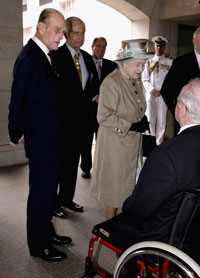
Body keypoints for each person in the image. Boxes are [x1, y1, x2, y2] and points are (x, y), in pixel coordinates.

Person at [93, 79, 200, 251]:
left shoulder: (166, 156)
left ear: (182, 110)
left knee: (116, 225)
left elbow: (137, 210)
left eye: (177, 102)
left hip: (158, 237)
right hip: (192, 229)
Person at [8, 8, 72, 262]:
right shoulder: (29, 58)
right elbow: (18, 101)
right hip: (41, 139)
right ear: (41, 27)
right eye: (57, 30)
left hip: (50, 136)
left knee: (48, 191)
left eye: (63, 32)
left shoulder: (44, 54)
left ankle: (47, 231)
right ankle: (38, 244)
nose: (61, 36)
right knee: (41, 192)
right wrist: (16, 131)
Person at [90, 39, 152, 220]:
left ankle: (121, 233)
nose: (141, 69)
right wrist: (131, 125)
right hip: (115, 148)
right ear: (125, 62)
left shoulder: (135, 80)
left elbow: (137, 105)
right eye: (138, 64)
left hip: (132, 146)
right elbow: (103, 117)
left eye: (143, 64)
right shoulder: (112, 82)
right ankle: (109, 234)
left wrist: (142, 118)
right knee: (114, 196)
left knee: (128, 193)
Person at [51, 17, 99, 218]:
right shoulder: (55, 56)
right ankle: (53, 204)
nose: (80, 37)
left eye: (83, 32)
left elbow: (92, 86)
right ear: (66, 34)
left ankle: (67, 199)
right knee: (59, 166)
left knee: (73, 164)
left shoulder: (87, 58)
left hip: (83, 123)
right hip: (62, 123)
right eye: (76, 33)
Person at [80, 37, 118, 179]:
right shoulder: (84, 63)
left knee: (103, 142)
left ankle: (103, 169)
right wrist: (93, 96)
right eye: (99, 46)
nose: (101, 49)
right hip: (87, 111)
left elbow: (116, 87)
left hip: (105, 112)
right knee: (86, 142)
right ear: (92, 47)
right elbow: (81, 87)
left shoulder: (112, 66)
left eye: (104, 47)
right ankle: (85, 168)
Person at [142, 36, 172, 145]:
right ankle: (150, 145)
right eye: (157, 46)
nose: (159, 48)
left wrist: (162, 91)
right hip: (151, 96)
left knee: (161, 122)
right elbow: (144, 79)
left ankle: (158, 146)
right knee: (150, 120)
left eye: (161, 46)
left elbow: (170, 80)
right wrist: (151, 90)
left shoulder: (169, 62)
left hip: (163, 96)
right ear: (154, 46)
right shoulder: (149, 62)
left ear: (164, 47)